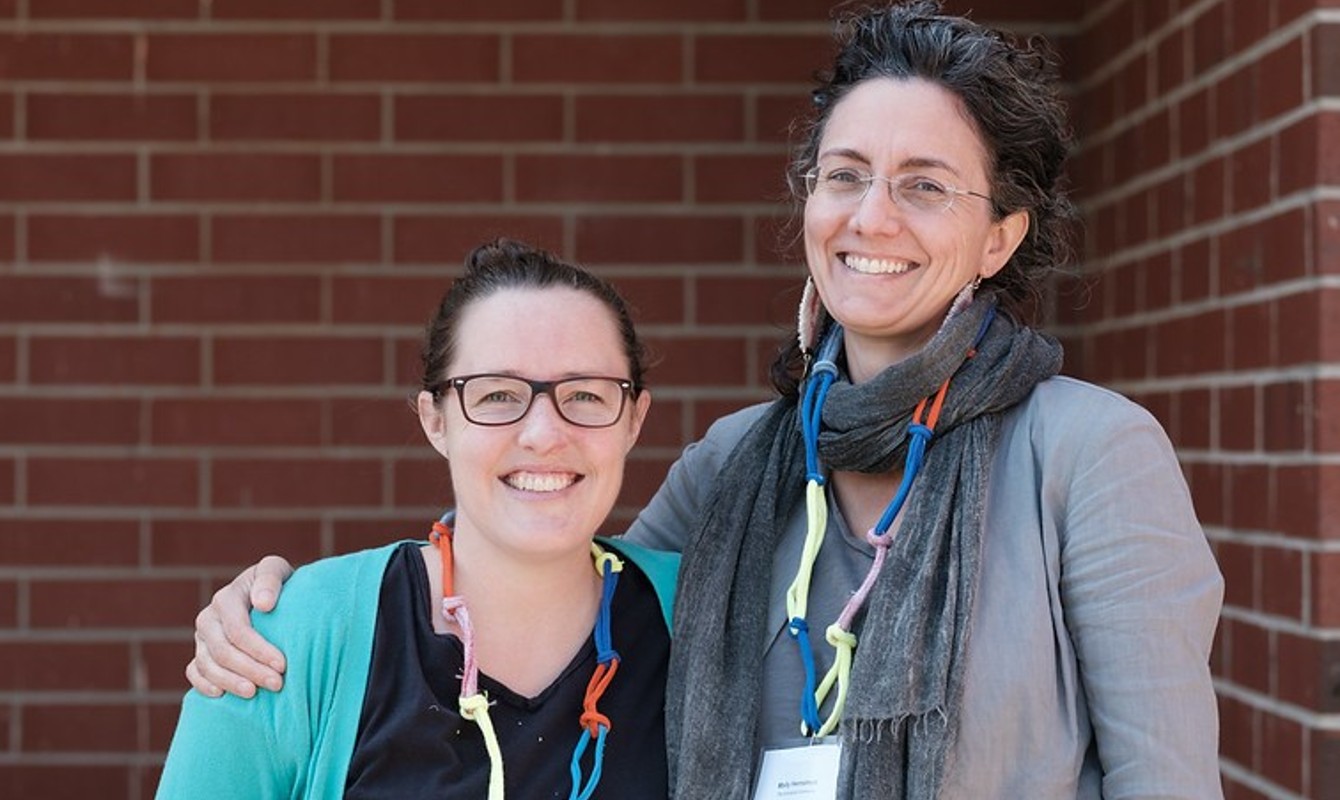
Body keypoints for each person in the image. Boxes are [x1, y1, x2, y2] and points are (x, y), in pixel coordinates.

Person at [182, 2, 1225, 798]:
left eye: (922, 184)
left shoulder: (1090, 454)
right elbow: (553, 568)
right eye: (843, 174)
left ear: (996, 236)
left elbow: (1164, 776)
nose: (872, 216)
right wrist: (282, 610)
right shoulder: (739, 462)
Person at [158, 239, 677, 799]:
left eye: (587, 396)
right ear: (435, 420)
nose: (544, 434)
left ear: (633, 420)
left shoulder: (704, 610)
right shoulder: (289, 639)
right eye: (498, 395)